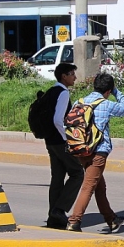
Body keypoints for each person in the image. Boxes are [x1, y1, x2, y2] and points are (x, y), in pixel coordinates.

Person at [66, 73, 124, 232]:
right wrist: (116, 92)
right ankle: (74, 221)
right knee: (89, 186)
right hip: (98, 152)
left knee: (99, 187)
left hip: (81, 150)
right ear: (108, 91)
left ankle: (112, 220)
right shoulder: (106, 104)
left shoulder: (79, 102)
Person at [42, 62, 83, 229]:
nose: (75, 77)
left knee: (57, 178)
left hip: (50, 141)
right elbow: (58, 120)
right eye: (72, 74)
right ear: (63, 76)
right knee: (77, 173)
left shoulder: (51, 90)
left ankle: (53, 218)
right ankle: (59, 209)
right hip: (60, 141)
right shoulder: (63, 92)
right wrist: (67, 139)